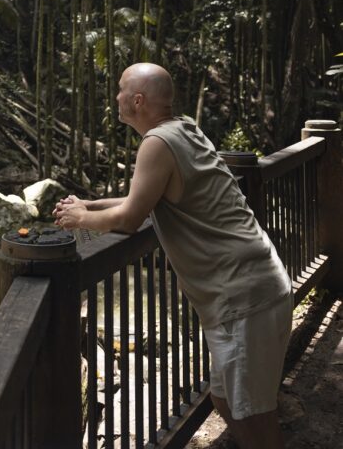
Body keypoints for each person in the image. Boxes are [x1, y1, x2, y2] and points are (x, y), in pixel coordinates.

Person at [54, 62, 293, 449]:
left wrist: (82, 218)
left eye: (119, 91)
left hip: (243, 297)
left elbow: (131, 218)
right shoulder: (183, 129)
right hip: (256, 285)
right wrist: (91, 204)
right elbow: (145, 199)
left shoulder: (156, 143)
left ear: (137, 100)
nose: (114, 97)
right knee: (225, 400)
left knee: (254, 415)